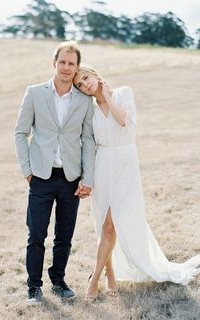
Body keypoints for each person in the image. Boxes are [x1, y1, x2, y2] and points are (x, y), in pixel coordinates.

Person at [73, 66, 200, 302]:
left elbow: (122, 121)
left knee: (114, 223)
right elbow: (89, 144)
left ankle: (94, 279)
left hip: (125, 164)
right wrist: (86, 177)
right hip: (103, 166)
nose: (85, 84)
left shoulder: (123, 93)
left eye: (86, 78)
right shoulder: (88, 111)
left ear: (95, 75)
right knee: (105, 226)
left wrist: (107, 96)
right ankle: (109, 273)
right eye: (79, 84)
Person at [14, 42, 95, 305]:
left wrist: (88, 177)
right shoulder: (35, 93)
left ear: (76, 67)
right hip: (41, 176)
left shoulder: (84, 100)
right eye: (63, 62)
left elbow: (88, 139)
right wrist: (28, 171)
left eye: (72, 64)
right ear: (54, 63)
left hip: (71, 177)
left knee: (65, 235)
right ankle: (34, 286)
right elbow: (20, 133)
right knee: (36, 234)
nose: (67, 67)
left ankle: (58, 281)